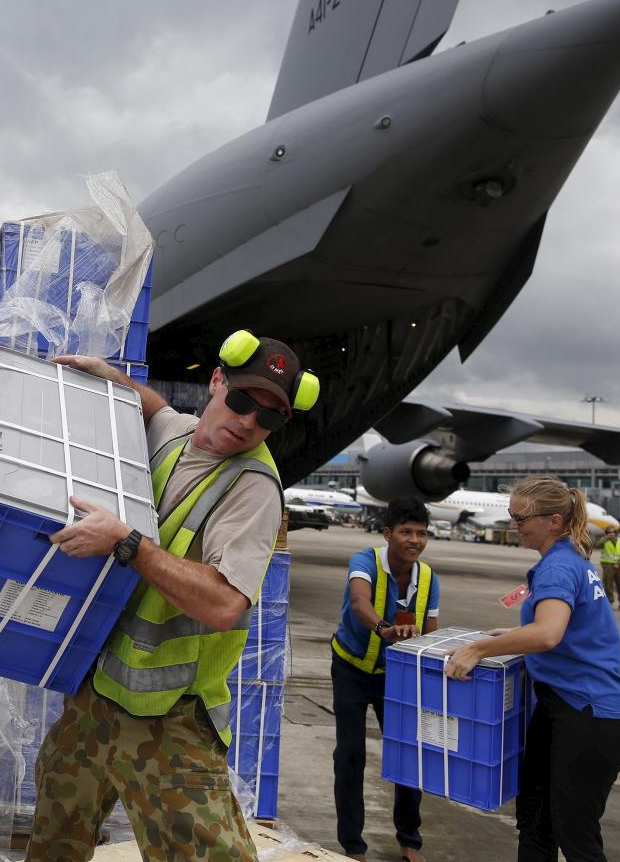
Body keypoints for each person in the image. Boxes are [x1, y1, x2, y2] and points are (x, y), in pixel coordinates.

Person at [25, 330, 320, 862]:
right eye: (243, 400)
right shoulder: (178, 436)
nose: (250, 421)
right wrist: (111, 378)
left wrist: (126, 544)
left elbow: (225, 604)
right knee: (54, 834)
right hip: (100, 696)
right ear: (216, 382)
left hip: (172, 721)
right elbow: (157, 409)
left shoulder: (252, 489)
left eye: (270, 416)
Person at [445, 475, 620, 862]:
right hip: (564, 710)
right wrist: (519, 632)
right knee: (536, 821)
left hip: (589, 715)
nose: (513, 525)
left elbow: (549, 634)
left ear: (553, 521)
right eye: (512, 515)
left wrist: (480, 649)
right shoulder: (570, 560)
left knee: (574, 834)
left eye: (521, 518)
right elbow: (565, 628)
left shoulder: (558, 567)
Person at [329, 496, 438, 862]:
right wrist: (383, 629)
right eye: (406, 532)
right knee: (351, 755)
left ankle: (410, 841)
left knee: (409, 756)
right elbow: (359, 603)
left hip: (397, 678)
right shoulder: (365, 561)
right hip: (351, 670)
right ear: (388, 533)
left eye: (421, 533)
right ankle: (353, 846)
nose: (414, 540)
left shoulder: (428, 578)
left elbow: (432, 632)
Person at [598, 523, 620, 611]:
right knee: (608, 585)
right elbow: (597, 545)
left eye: (613, 532)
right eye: (609, 532)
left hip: (619, 567)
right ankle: (610, 603)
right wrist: (606, 538)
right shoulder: (604, 541)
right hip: (608, 566)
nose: (611, 534)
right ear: (606, 533)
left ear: (616, 533)